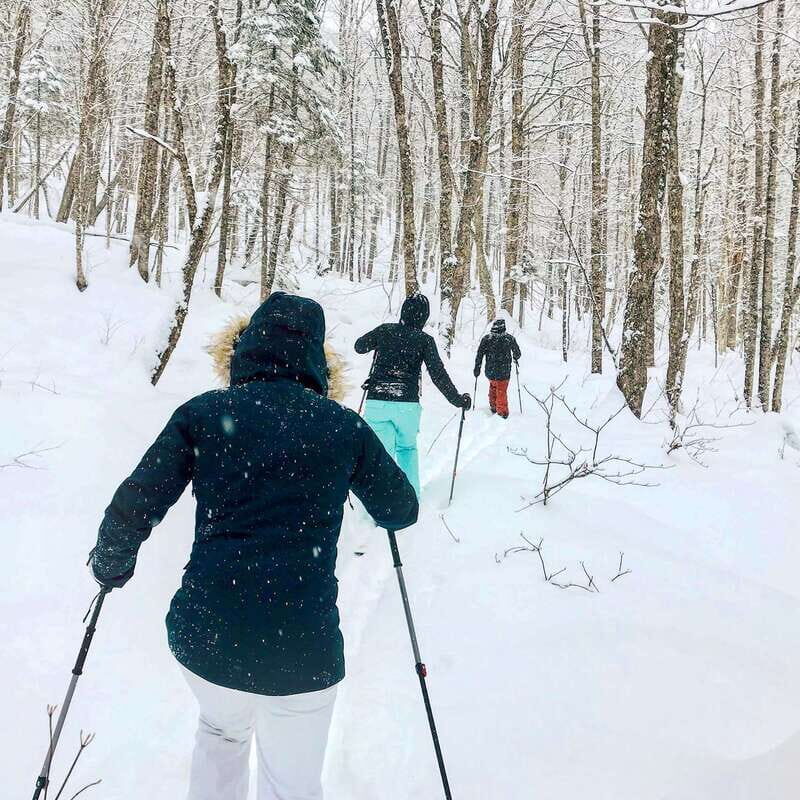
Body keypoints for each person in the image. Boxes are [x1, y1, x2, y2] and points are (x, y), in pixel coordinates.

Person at [90, 292, 418, 800]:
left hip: (207, 634)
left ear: (243, 348)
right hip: (301, 649)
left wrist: (111, 562)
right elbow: (401, 509)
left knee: (221, 731)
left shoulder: (204, 414)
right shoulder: (341, 426)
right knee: (290, 783)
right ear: (316, 358)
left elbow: (137, 499)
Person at [354, 293, 471, 498]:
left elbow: (359, 346)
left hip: (377, 402)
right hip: (407, 405)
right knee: (407, 449)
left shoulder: (385, 330)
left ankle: (381, 503)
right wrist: (458, 400)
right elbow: (438, 374)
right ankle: (411, 499)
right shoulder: (424, 340)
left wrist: (381, 341)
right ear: (424, 317)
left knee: (382, 455)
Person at [473, 318, 522, 419]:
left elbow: (479, 355)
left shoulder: (486, 339)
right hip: (504, 372)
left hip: (490, 372)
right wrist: (515, 357)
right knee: (501, 391)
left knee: (493, 387)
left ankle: (493, 407)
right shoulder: (509, 339)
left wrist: (477, 368)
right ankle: (502, 413)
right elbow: (518, 353)